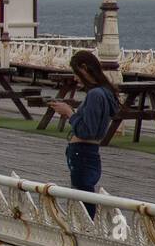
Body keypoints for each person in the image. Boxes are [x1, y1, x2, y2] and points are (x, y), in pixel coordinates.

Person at [49, 50, 119, 217]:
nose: (75, 78)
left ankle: (88, 230)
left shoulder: (95, 95)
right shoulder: (105, 93)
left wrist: (69, 113)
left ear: (84, 68)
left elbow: (86, 131)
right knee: (84, 194)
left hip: (83, 152)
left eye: (76, 73)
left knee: (83, 198)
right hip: (89, 153)